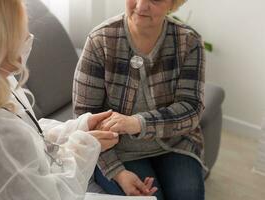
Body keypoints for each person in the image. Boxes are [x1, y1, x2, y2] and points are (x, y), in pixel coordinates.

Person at [0, 0, 119, 199]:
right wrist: (84, 146)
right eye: (20, 31)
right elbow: (52, 195)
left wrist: (79, 127)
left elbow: (30, 133)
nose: (27, 39)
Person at [73, 0, 206, 199]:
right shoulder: (100, 40)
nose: (141, 6)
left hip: (174, 143)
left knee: (189, 194)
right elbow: (85, 117)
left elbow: (191, 108)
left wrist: (137, 123)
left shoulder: (189, 41)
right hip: (117, 150)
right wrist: (118, 172)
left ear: (172, 3)